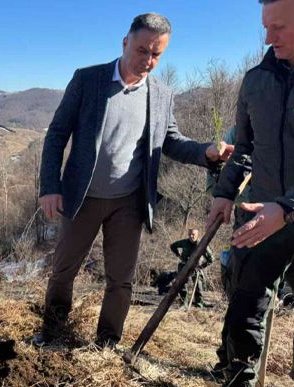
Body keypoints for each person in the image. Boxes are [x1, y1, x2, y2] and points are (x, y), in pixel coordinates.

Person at [34, 12, 233, 348]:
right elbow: (56, 135)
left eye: (157, 54)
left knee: (121, 280)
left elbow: (170, 141)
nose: (148, 60)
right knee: (63, 271)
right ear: (126, 42)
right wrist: (50, 187)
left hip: (129, 200)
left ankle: (107, 344)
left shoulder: (162, 93)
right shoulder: (88, 80)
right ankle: (53, 335)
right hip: (82, 197)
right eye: (143, 50)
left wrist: (207, 153)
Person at [205, 0, 294, 387]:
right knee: (246, 299)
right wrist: (224, 193)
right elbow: (245, 147)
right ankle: (235, 386)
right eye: (265, 27)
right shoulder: (255, 81)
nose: (268, 37)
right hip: (259, 211)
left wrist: (289, 207)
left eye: (278, 27)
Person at [169, 228, 212, 307]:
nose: (191, 236)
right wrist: (178, 255)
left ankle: (199, 303)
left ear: (197, 235)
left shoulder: (202, 244)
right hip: (184, 266)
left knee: (199, 286)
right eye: (189, 234)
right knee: (182, 285)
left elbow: (211, 258)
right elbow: (173, 246)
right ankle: (183, 303)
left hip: (196, 268)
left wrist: (201, 266)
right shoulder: (184, 242)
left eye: (193, 234)